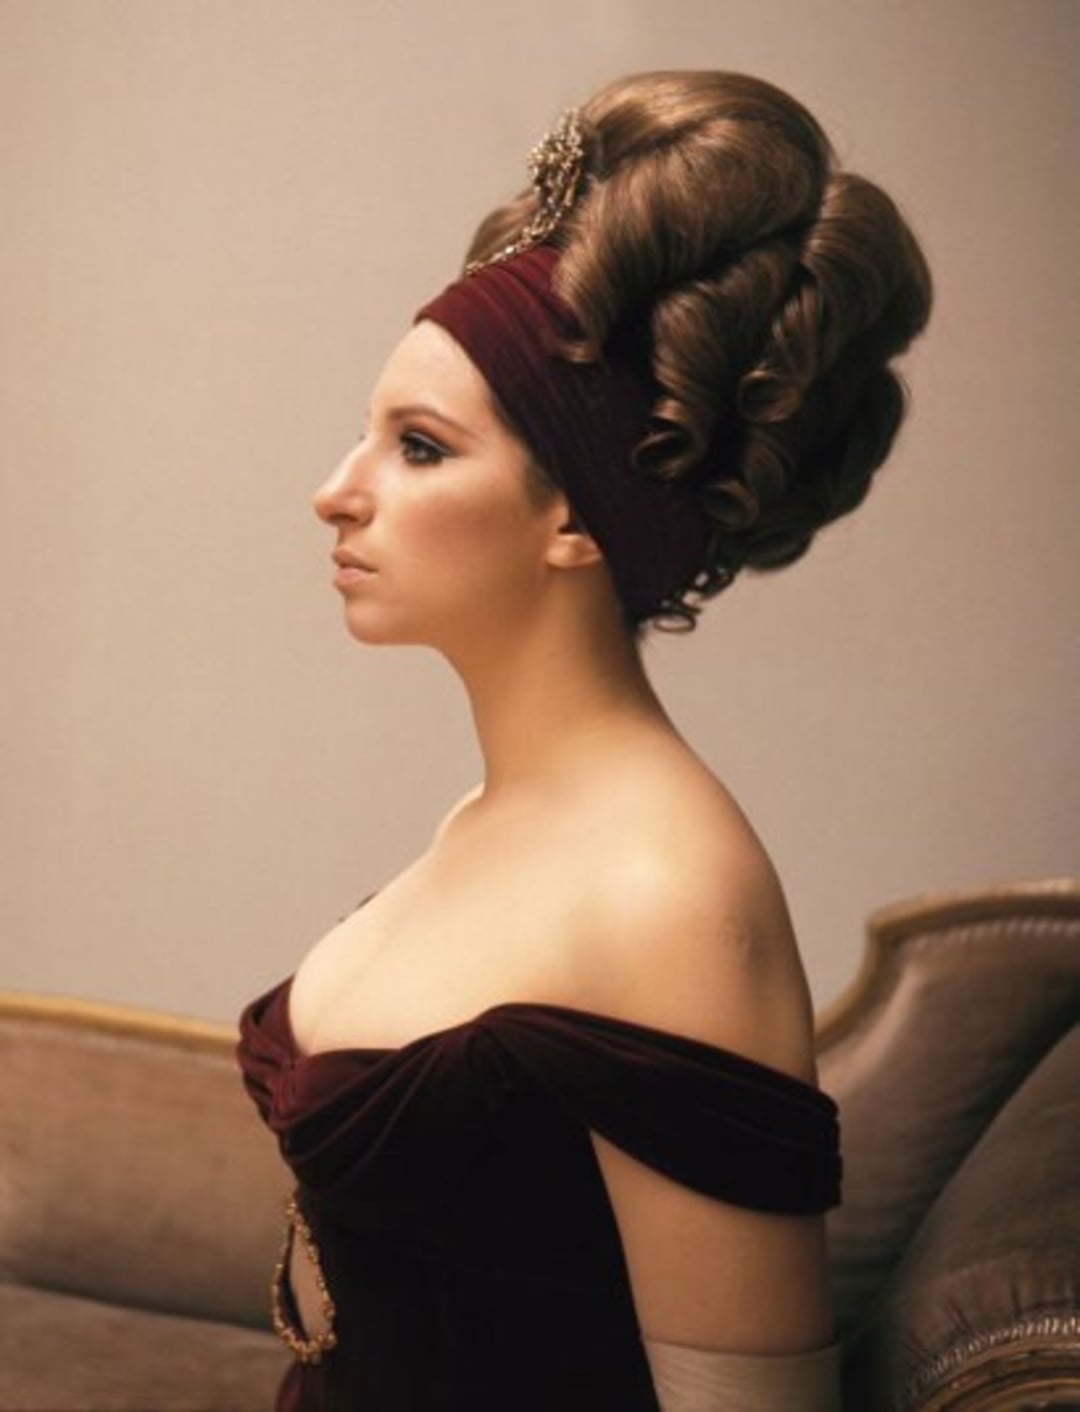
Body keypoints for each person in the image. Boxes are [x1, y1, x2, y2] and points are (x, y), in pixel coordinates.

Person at [236, 68, 932, 1412]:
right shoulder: (492, 818)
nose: (338, 491)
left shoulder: (668, 895)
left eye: (420, 448)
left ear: (580, 520)